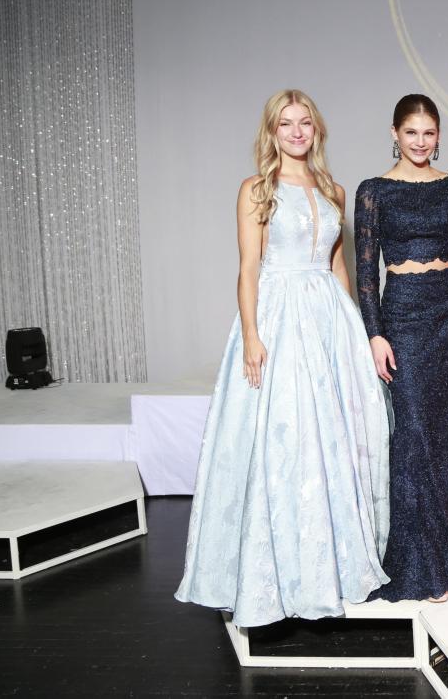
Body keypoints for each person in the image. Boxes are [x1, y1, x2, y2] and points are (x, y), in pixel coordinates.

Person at [176, 89, 391, 627]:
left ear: (316, 130)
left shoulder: (333, 190)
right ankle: (277, 572)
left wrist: (358, 330)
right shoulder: (257, 190)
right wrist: (251, 335)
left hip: (329, 321)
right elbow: (248, 268)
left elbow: (338, 267)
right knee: (285, 438)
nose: (297, 132)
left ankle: (334, 566)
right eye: (286, 124)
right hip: (278, 316)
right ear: (271, 132)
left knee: (333, 439)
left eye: (305, 124)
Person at [355, 94, 448, 603]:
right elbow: (366, 272)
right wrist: (374, 332)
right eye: (412, 132)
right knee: (411, 432)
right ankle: (419, 563)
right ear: (394, 133)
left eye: (429, 133)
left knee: (445, 429)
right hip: (402, 313)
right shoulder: (373, 192)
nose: (420, 142)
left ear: (438, 135)